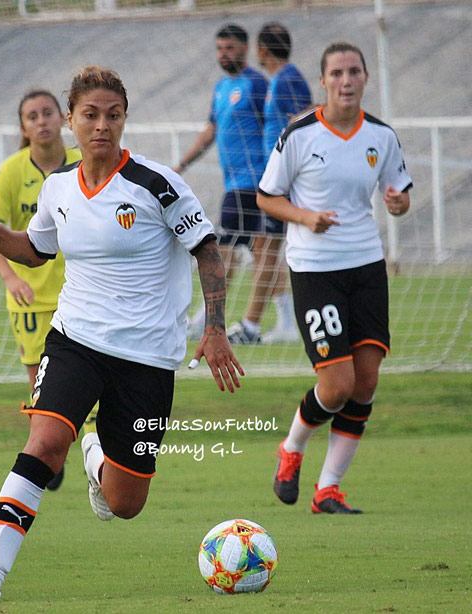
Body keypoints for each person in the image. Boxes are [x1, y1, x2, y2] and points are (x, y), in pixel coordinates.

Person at [0, 66, 244, 601]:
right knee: (43, 444)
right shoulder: (58, 186)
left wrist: (216, 329)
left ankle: (95, 454)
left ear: (124, 119)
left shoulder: (157, 185)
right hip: (74, 340)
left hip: (149, 358)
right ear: (70, 120)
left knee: (125, 503)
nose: (101, 126)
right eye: (90, 115)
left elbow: (207, 249)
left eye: (113, 115)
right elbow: (37, 248)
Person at [258, 42, 412, 514]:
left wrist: (397, 203)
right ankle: (292, 448)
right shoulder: (300, 135)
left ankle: (328, 489)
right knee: (337, 384)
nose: (346, 81)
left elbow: (401, 192)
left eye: (354, 72)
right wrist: (305, 218)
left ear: (365, 77)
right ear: (323, 81)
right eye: (337, 73)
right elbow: (267, 197)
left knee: (366, 382)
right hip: (315, 271)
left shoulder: (381, 136)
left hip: (366, 266)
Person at [0, 89, 82, 491]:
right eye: (32, 116)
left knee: (90, 386)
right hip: (29, 301)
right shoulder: (11, 172)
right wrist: (11, 277)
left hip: (79, 297)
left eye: (47, 113)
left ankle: (89, 451)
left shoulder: (83, 164)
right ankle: (49, 453)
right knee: (43, 389)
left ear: (63, 118)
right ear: (23, 127)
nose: (41, 121)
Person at [175, 24, 270, 344]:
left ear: (245, 48)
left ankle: (205, 317)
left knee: (224, 249)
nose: (223, 54)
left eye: (229, 48)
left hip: (252, 181)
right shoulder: (221, 88)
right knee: (262, 251)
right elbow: (210, 131)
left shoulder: (257, 84)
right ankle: (284, 321)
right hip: (234, 182)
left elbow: (274, 126)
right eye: (219, 49)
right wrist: (181, 165)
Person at [251, 22, 312, 343]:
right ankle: (286, 322)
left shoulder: (289, 78)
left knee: (271, 247)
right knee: (265, 246)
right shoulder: (280, 79)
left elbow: (304, 119)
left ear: (262, 50)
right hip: (275, 177)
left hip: (286, 181)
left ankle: (258, 323)